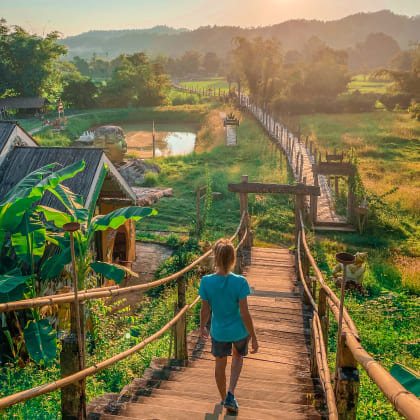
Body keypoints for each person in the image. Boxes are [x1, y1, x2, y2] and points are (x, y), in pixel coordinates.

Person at [199, 238, 258, 414]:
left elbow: (205, 309)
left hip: (218, 332)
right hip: (239, 330)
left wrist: (202, 327)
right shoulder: (240, 282)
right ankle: (231, 393)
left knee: (219, 365)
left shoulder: (206, 281)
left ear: (215, 258)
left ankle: (224, 398)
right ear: (233, 258)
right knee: (238, 357)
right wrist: (253, 335)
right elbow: (245, 313)